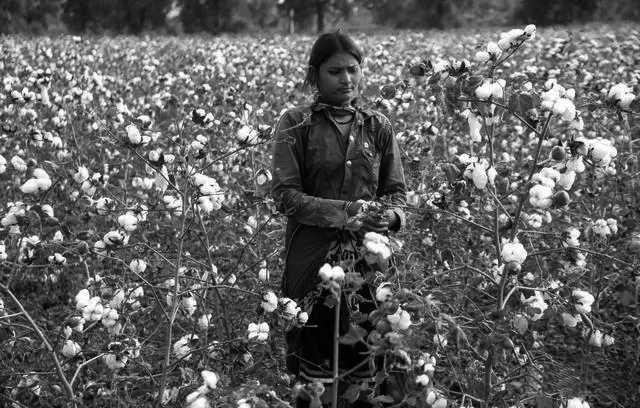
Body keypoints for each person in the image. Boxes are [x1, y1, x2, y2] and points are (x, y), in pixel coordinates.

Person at [270, 31, 407, 408]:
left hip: (370, 264)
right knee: (315, 372)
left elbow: (396, 193)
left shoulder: (377, 126)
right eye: (335, 72)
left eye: (353, 69)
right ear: (315, 75)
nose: (346, 79)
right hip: (313, 262)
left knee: (366, 363)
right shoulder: (296, 124)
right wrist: (348, 213)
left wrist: (389, 218)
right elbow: (286, 196)